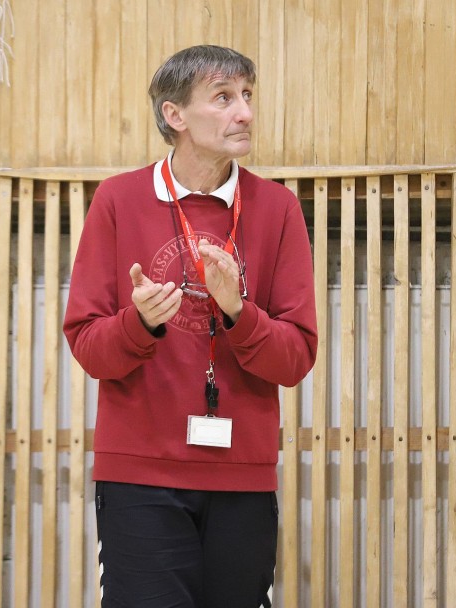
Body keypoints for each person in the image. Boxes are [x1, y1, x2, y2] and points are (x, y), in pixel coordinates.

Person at [63, 45, 318, 608]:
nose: (245, 112)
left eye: (247, 95)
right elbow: (88, 345)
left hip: (242, 476)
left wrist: (239, 313)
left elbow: (296, 358)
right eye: (223, 98)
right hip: (139, 477)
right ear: (174, 114)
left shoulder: (277, 208)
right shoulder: (118, 199)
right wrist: (139, 323)